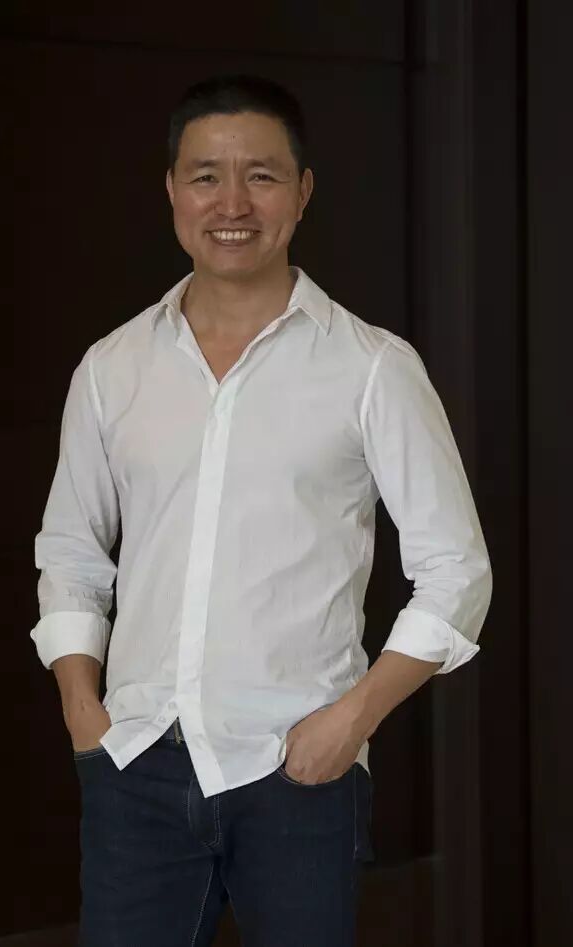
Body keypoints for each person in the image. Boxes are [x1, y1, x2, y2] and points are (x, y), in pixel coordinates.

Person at [30, 74, 492, 947]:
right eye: (206, 175)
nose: (232, 203)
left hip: (297, 771)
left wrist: (349, 722)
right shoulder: (110, 368)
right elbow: (71, 550)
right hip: (136, 767)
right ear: (172, 189)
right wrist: (82, 709)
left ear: (303, 191)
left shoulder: (371, 367)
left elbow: (455, 571)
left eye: (263, 176)